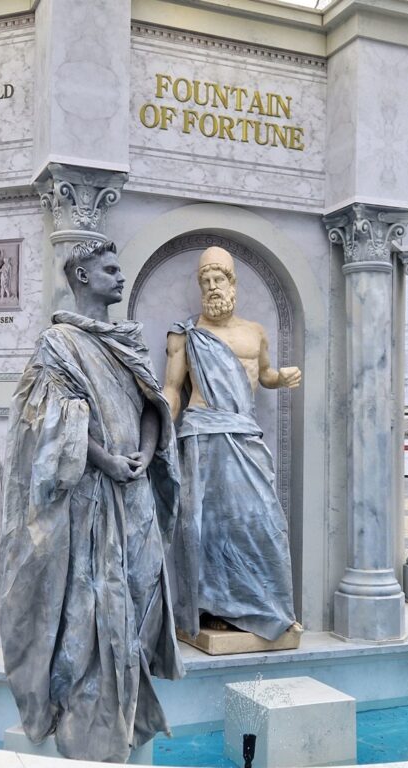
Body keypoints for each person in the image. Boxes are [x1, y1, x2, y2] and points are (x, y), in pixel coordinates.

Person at [0, 240, 183, 762]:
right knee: (91, 606)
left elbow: (152, 403)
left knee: (141, 592)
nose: (121, 277)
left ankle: (127, 703)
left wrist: (146, 453)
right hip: (92, 497)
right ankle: (89, 718)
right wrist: (105, 460)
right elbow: (51, 421)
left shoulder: (128, 341)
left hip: (135, 493)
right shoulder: (57, 343)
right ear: (81, 275)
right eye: (110, 269)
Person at [162, 246, 300, 642]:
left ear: (232, 282)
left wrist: (280, 378)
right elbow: (172, 391)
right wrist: (156, 436)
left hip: (243, 433)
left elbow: (265, 373)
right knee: (207, 527)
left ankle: (268, 608)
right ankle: (213, 609)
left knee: (262, 521)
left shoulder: (254, 331)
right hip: (202, 435)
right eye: (205, 281)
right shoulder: (185, 334)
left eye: (218, 279)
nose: (211, 287)